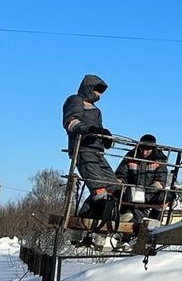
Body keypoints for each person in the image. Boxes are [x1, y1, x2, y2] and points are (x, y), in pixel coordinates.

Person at [61, 74, 118, 223]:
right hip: (83, 149)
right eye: (96, 90)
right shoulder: (75, 100)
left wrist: (105, 138)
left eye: (101, 92)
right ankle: (88, 218)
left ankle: (87, 213)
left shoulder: (97, 110)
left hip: (97, 150)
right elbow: (70, 122)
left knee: (113, 183)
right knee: (98, 186)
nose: (99, 94)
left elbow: (99, 128)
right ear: (88, 88)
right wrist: (89, 129)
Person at [118, 133, 170, 221]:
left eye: (148, 150)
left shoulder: (160, 160)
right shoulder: (130, 156)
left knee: (168, 195)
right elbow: (121, 175)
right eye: (142, 149)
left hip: (149, 196)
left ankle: (151, 218)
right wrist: (123, 188)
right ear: (139, 146)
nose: (144, 152)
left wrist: (144, 196)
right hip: (129, 194)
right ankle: (120, 215)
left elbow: (159, 182)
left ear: (153, 149)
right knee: (113, 191)